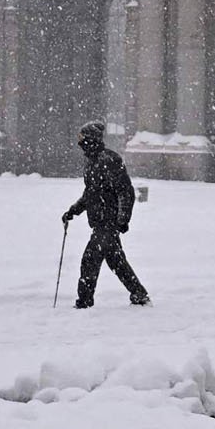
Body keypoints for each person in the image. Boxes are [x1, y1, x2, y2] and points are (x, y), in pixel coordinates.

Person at [61, 121, 150, 308]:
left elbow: (126, 192)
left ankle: (84, 301)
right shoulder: (91, 163)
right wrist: (73, 210)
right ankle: (139, 294)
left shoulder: (110, 160)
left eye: (83, 140)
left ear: (91, 140)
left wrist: (122, 220)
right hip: (99, 222)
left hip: (108, 223)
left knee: (89, 260)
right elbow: (90, 194)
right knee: (116, 261)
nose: (80, 144)